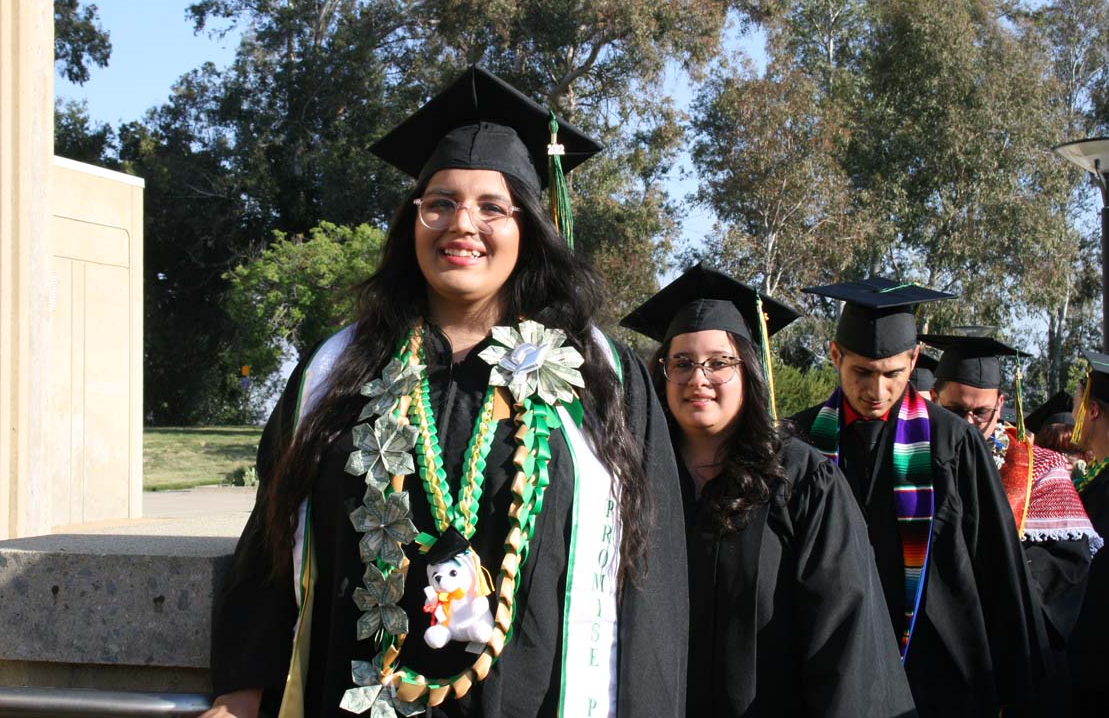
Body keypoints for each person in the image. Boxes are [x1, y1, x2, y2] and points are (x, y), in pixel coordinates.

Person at [205, 66, 688, 718]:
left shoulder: (600, 375)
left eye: (493, 206)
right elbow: (269, 539)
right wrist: (238, 697)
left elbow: (649, 574)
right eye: (439, 204)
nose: (463, 224)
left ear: (530, 230)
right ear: (413, 223)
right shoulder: (338, 370)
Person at [620, 264, 914, 718]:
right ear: (661, 374)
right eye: (681, 363)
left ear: (749, 371)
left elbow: (844, 639)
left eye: (719, 362)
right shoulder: (629, 478)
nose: (698, 378)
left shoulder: (801, 482)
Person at [790, 277, 1047, 716]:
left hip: (937, 677)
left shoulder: (952, 444)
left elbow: (997, 566)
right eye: (862, 373)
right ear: (836, 355)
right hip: (825, 669)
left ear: (913, 360)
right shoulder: (800, 442)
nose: (877, 391)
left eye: (892, 373)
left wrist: (1019, 686)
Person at [922, 334, 1098, 714]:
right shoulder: (911, 462)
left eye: (980, 413)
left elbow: (1069, 565)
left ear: (1001, 404)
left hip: (1008, 646)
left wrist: (1006, 578)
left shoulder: (1040, 468)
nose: (968, 424)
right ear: (934, 400)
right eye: (955, 411)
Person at [1067, 352, 1109, 714]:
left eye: (1077, 402)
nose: (1073, 413)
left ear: (1092, 410)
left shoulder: (1106, 492)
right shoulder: (1098, 482)